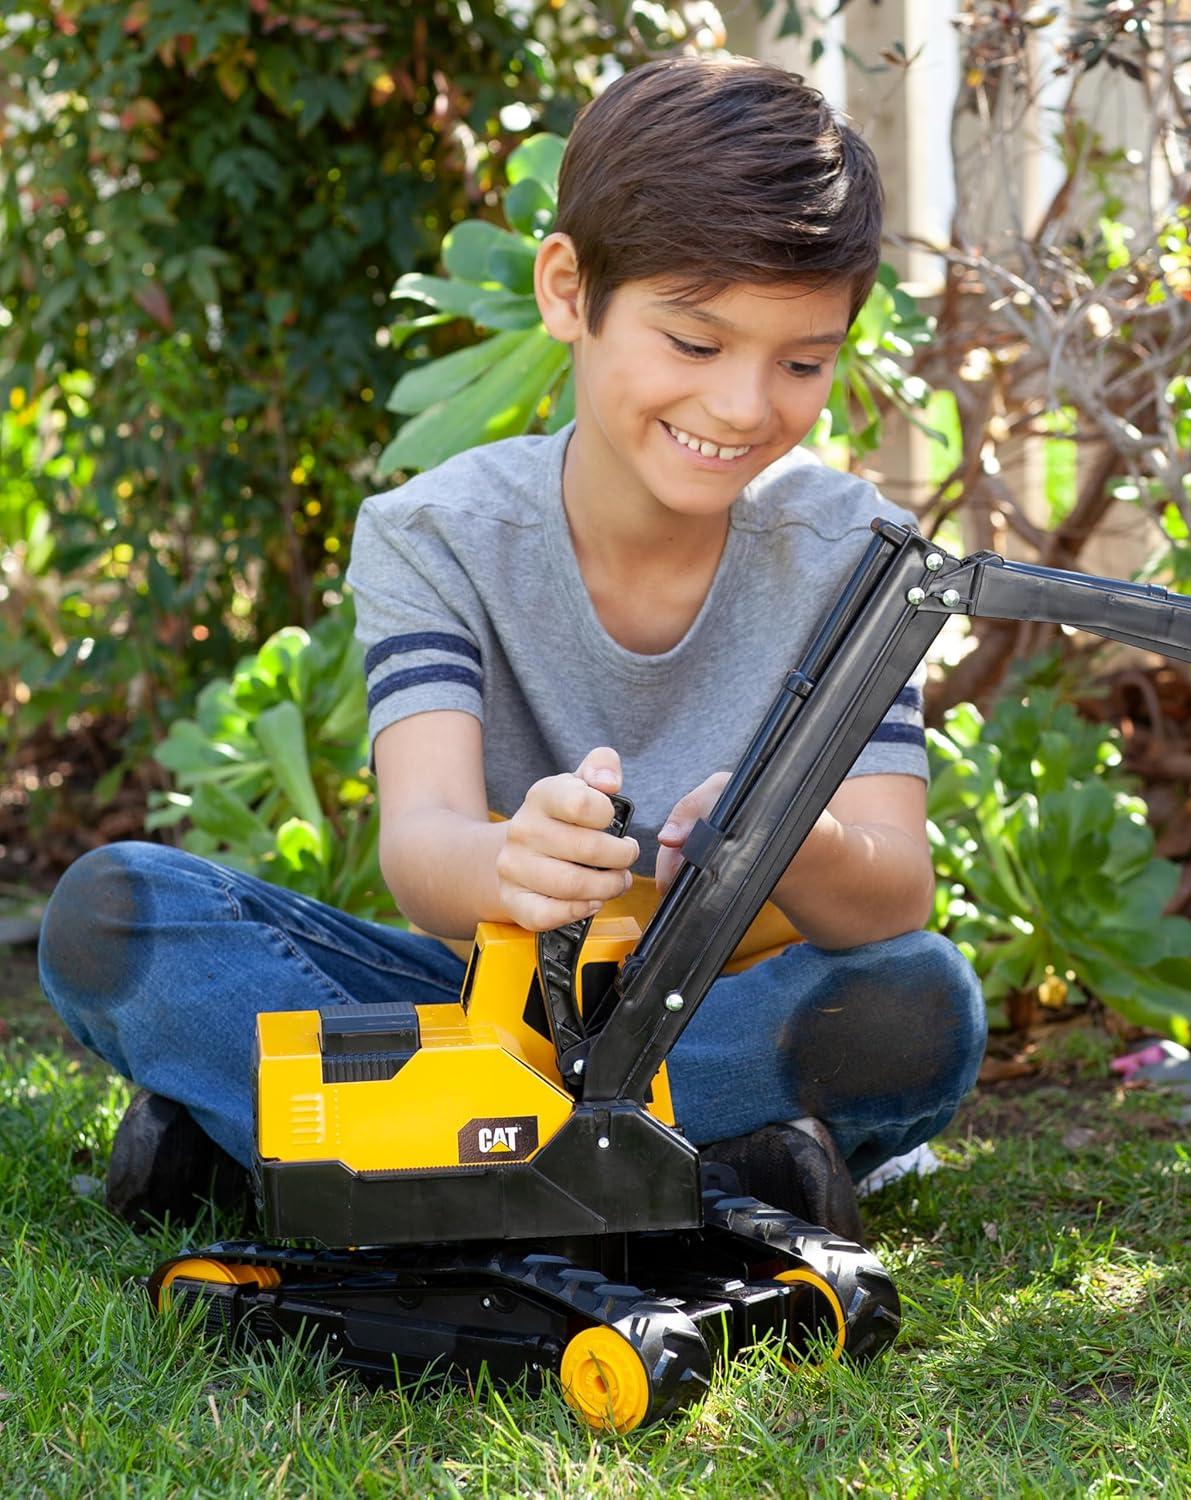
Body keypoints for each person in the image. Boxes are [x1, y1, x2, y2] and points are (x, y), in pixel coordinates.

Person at [37, 55, 987, 1241]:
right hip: (481, 1012)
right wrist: (512, 865)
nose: (746, 406)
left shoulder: (856, 551)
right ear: (566, 289)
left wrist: (785, 834)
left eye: (801, 362)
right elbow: (425, 847)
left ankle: (325, 1150)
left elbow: (896, 887)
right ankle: (707, 1167)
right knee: (121, 913)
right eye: (695, 344)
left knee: (918, 999)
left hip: (712, 1007)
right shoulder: (432, 536)